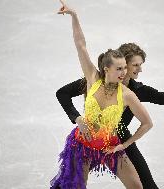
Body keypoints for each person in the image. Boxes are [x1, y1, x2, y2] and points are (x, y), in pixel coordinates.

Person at [56, 44, 164, 188]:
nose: (139, 69)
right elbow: (62, 93)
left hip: (118, 140)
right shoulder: (95, 80)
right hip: (88, 139)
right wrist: (77, 118)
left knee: (147, 184)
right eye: (135, 65)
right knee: (71, 183)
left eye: (140, 65)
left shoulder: (136, 91)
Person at [50, 1, 153, 189]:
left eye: (125, 68)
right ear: (106, 69)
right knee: (75, 186)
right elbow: (80, 45)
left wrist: (125, 144)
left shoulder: (127, 95)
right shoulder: (92, 79)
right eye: (119, 68)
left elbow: (147, 123)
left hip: (110, 147)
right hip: (82, 145)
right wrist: (74, 16)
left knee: (137, 186)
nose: (124, 72)